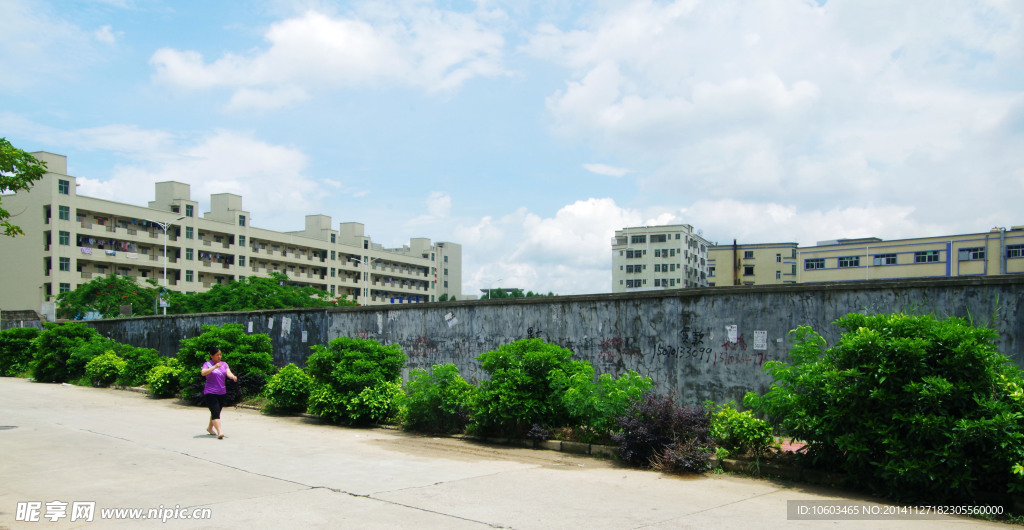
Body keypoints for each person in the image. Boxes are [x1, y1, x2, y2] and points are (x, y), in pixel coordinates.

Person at [200, 346, 237, 439]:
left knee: (216, 411)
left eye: (220, 354)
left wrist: (232, 376)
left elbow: (228, 372)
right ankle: (220, 432)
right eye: (217, 355)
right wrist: (214, 367)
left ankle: (209, 428)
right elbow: (203, 373)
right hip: (210, 392)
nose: (219, 356)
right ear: (211, 356)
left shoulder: (224, 364)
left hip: (221, 392)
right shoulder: (207, 364)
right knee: (216, 412)